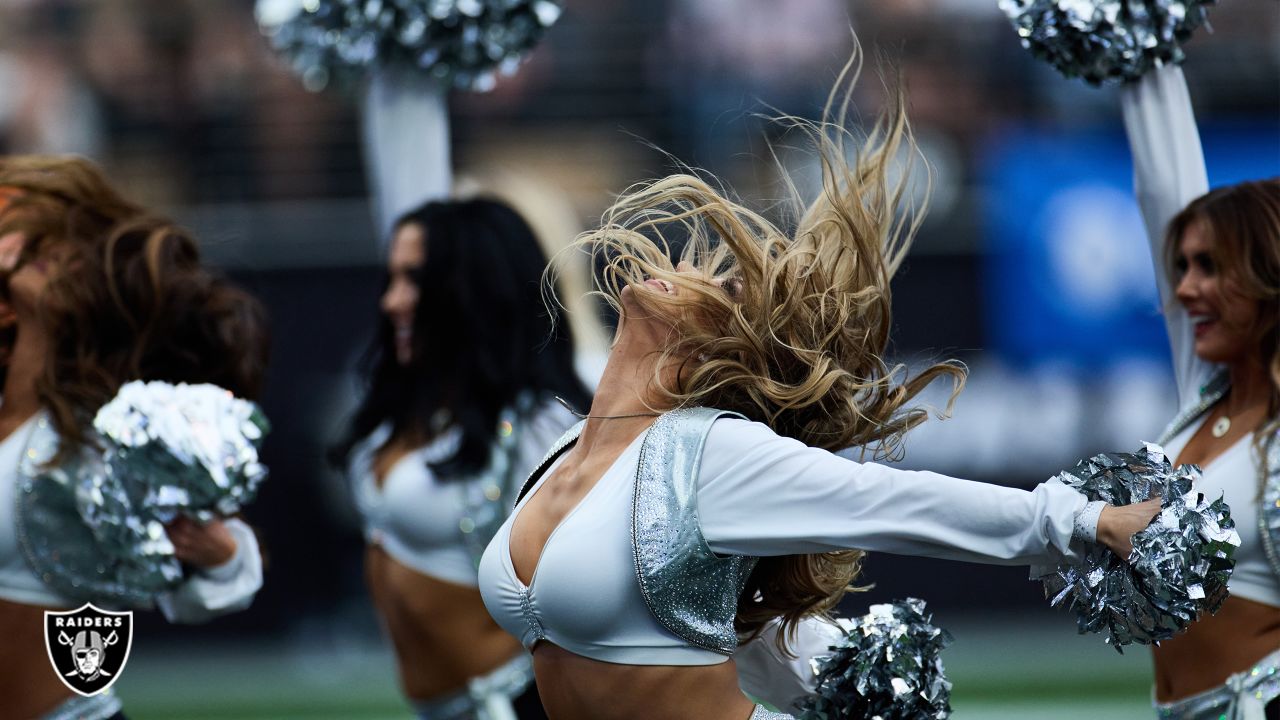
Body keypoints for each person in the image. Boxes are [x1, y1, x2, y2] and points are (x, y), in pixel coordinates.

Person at [475, 52, 1161, 720]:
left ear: (720, 344)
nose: (692, 268)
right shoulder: (564, 445)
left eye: (722, 287)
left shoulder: (707, 453)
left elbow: (903, 503)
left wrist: (1082, 519)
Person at [0, 155, 268, 720]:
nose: (39, 250)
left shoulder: (93, 433)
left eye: (61, 243)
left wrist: (223, 557)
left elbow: (216, 566)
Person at [334, 198, 589, 720]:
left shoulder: (539, 426)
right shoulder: (404, 408)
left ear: (469, 290)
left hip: (518, 703)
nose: (393, 301)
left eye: (415, 280)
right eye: (392, 279)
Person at [1118, 64, 1280, 719]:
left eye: (1210, 267)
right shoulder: (1206, 395)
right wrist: (1141, 55)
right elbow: (1163, 186)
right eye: (1181, 266)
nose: (1184, 289)